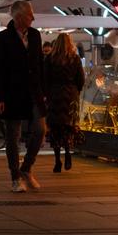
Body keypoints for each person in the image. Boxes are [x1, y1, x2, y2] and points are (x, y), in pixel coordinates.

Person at [0, 0, 47, 193]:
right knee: (13, 136)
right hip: (12, 93)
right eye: (30, 14)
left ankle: (27, 167)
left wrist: (43, 91)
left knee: (40, 130)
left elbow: (39, 64)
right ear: (19, 16)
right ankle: (15, 176)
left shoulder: (35, 35)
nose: (33, 17)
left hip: (33, 92)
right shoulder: (2, 39)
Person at [44, 33, 85, 173]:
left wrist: (47, 93)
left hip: (55, 95)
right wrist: (76, 91)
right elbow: (81, 79)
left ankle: (57, 161)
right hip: (70, 95)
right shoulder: (75, 59)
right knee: (68, 127)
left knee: (55, 128)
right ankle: (68, 152)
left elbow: (45, 78)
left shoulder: (50, 59)